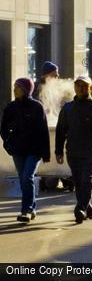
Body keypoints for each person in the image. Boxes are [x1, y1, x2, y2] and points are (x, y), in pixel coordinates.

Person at [55, 75, 92, 224]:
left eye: (84, 86)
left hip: (91, 151)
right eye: (78, 85)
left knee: (87, 179)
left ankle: (80, 208)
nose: (80, 88)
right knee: (78, 181)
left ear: (90, 88)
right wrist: (58, 152)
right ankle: (87, 206)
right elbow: (61, 131)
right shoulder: (67, 108)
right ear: (74, 88)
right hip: (73, 151)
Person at [0, 78, 50, 223]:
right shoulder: (11, 107)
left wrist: (45, 153)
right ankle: (32, 208)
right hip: (18, 150)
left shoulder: (37, 107)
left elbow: (43, 131)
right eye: (14, 87)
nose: (14, 89)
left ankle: (26, 210)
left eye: (17, 87)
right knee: (23, 179)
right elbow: (3, 128)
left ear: (26, 89)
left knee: (27, 177)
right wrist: (8, 144)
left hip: (34, 150)